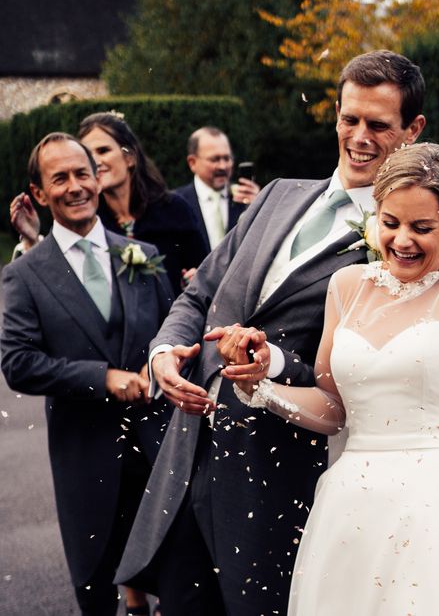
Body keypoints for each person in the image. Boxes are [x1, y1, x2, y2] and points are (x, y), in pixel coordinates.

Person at [114, 50, 428, 616]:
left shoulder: (403, 248)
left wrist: (275, 366)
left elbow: (364, 380)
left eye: (378, 125)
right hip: (186, 457)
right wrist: (165, 353)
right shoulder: (278, 194)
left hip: (275, 477)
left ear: (413, 131)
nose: (359, 137)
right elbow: (200, 292)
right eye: (349, 118)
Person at [211, 143, 439, 614]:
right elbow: (335, 408)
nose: (403, 240)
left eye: (422, 228)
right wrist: (261, 388)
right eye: (390, 223)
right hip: (351, 508)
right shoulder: (346, 288)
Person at [0, 133, 174, 616]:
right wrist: (104, 378)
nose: (75, 186)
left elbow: (173, 333)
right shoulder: (26, 274)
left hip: (155, 449)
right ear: (38, 193)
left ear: (98, 179)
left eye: (82, 173)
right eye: (60, 178)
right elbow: (18, 362)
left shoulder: (141, 255)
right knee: (96, 592)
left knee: (179, 581)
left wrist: (158, 360)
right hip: (85, 457)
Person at [10, 111, 208, 295]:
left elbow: (207, 270)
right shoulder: (87, 218)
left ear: (129, 157)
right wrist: (31, 240)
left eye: (103, 150)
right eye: (89, 154)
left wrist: (196, 280)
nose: (95, 161)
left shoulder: (173, 209)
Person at [176, 125, 260, 253]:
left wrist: (260, 208)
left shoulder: (246, 199)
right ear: (192, 162)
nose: (223, 166)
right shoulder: (177, 202)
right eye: (215, 159)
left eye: (227, 158)